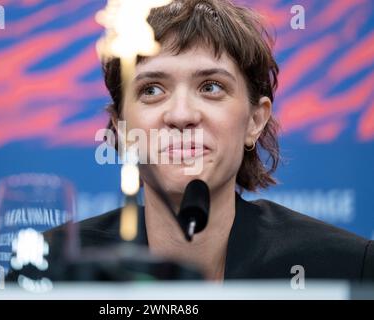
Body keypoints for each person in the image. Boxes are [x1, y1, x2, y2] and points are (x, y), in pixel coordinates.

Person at [55, 0, 374, 281]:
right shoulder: (56, 271)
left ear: (255, 120)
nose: (180, 115)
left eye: (210, 87)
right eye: (152, 89)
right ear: (122, 129)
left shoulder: (346, 268)